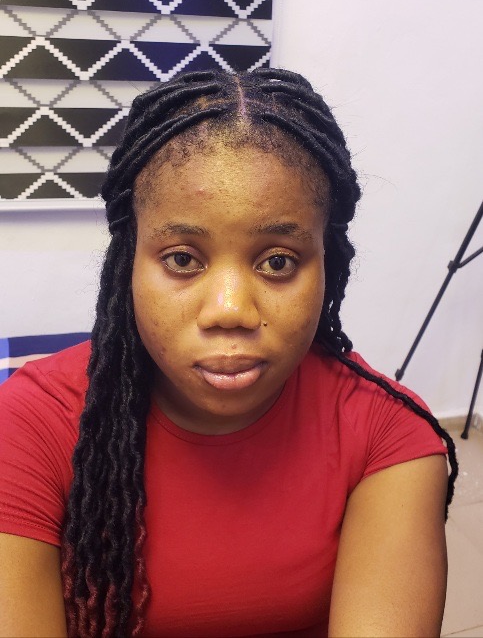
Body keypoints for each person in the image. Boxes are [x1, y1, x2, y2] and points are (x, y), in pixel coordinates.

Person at [0, 68, 457, 638]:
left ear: (329, 265)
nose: (230, 310)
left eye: (277, 262)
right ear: (129, 262)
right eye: (183, 259)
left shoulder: (388, 438)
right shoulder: (32, 424)